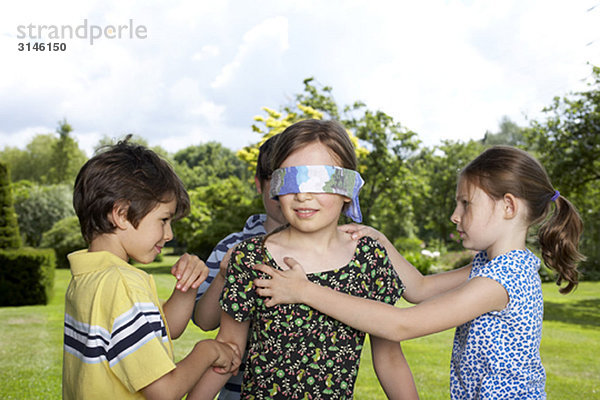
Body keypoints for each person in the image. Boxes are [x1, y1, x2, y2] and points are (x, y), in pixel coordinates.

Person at [254, 145, 585, 399]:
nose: (455, 216)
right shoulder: (491, 266)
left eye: (466, 204)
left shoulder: (501, 281)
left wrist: (306, 291)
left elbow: (402, 324)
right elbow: (419, 288)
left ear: (509, 206)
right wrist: (380, 241)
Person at [189, 119, 419, 399]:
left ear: (347, 187)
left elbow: (390, 359)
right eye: (291, 179)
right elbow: (228, 351)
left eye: (319, 180)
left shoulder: (369, 259)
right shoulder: (250, 257)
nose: (302, 194)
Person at [63, 138, 241, 400]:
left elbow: (162, 326)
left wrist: (187, 288)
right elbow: (163, 392)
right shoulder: (122, 283)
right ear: (121, 214)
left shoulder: (88, 276)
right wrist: (208, 351)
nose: (169, 234)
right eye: (164, 220)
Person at [191, 135, 287, 399]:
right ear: (259, 184)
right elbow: (204, 321)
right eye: (276, 184)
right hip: (238, 391)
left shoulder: (325, 251)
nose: (288, 195)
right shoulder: (231, 245)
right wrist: (224, 275)